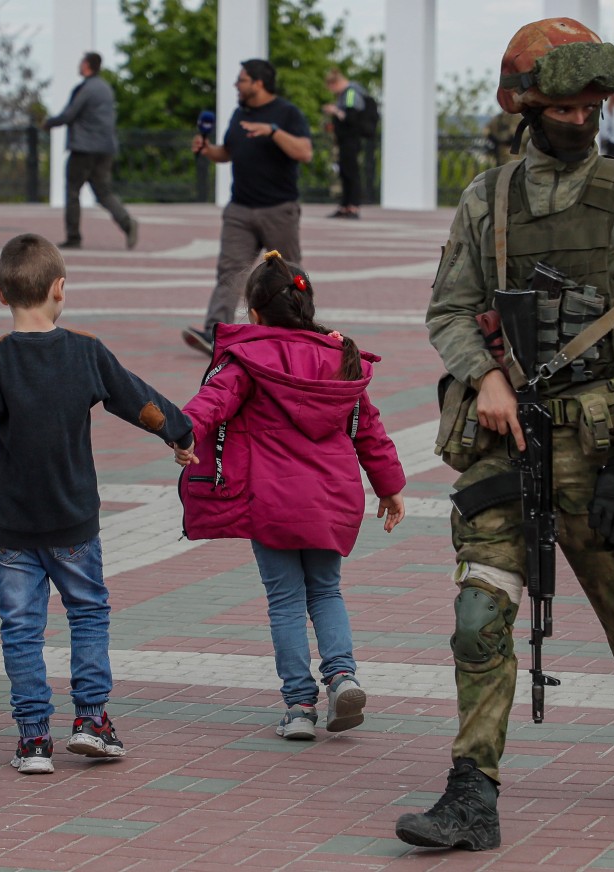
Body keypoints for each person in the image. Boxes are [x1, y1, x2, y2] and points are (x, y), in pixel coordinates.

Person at [396, 17, 614, 851]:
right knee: (477, 617)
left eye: (593, 106)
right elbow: (448, 309)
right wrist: (487, 376)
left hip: (605, 445)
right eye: (566, 106)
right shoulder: (485, 199)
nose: (582, 119)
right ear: (528, 108)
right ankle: (472, 796)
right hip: (507, 442)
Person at [0, 234, 195, 775]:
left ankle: (33, 738)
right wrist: (180, 432)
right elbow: (136, 399)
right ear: (60, 290)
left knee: (21, 627)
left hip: (11, 527)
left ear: (2, 294)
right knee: (88, 614)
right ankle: (92, 721)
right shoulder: (86, 351)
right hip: (74, 519)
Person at [176, 251, 407, 740]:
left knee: (284, 600)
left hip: (272, 502)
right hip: (332, 502)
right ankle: (343, 676)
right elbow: (369, 430)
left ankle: (299, 706)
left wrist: (180, 433)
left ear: (255, 314)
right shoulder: (340, 357)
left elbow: (212, 403)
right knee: (325, 590)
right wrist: (390, 487)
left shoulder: (248, 359)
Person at [182, 59, 312, 357]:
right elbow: (227, 152)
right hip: (240, 209)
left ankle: (301, 332)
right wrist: (207, 150)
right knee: (230, 271)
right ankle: (215, 332)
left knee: (289, 273)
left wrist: (273, 131)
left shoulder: (287, 113)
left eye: (241, 80)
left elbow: (304, 152)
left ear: (258, 83)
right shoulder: (239, 114)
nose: (236, 85)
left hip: (279, 209)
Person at [43, 52, 138, 251]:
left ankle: (73, 237)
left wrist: (49, 123)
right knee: (103, 192)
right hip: (105, 149)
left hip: (84, 148)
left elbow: (70, 114)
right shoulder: (105, 88)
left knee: (72, 191)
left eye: (81, 62)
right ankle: (127, 223)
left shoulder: (86, 89)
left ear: (86, 65)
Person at [321, 69, 371, 219]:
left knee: (351, 172)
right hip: (345, 139)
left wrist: (335, 110)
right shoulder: (345, 94)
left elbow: (350, 116)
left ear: (335, 83)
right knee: (345, 172)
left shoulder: (350, 93)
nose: (332, 91)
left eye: (331, 87)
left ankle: (353, 206)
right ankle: (345, 205)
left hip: (351, 139)